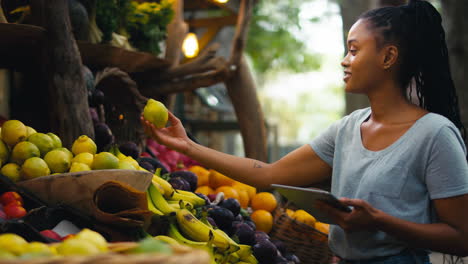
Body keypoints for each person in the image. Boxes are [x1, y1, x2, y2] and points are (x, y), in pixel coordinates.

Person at [141, 0, 468, 263]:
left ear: (388, 57)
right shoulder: (348, 128)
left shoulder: (435, 134)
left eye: (353, 50)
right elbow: (268, 174)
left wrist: (380, 221)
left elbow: (461, 237)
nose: (344, 60)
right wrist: (187, 147)